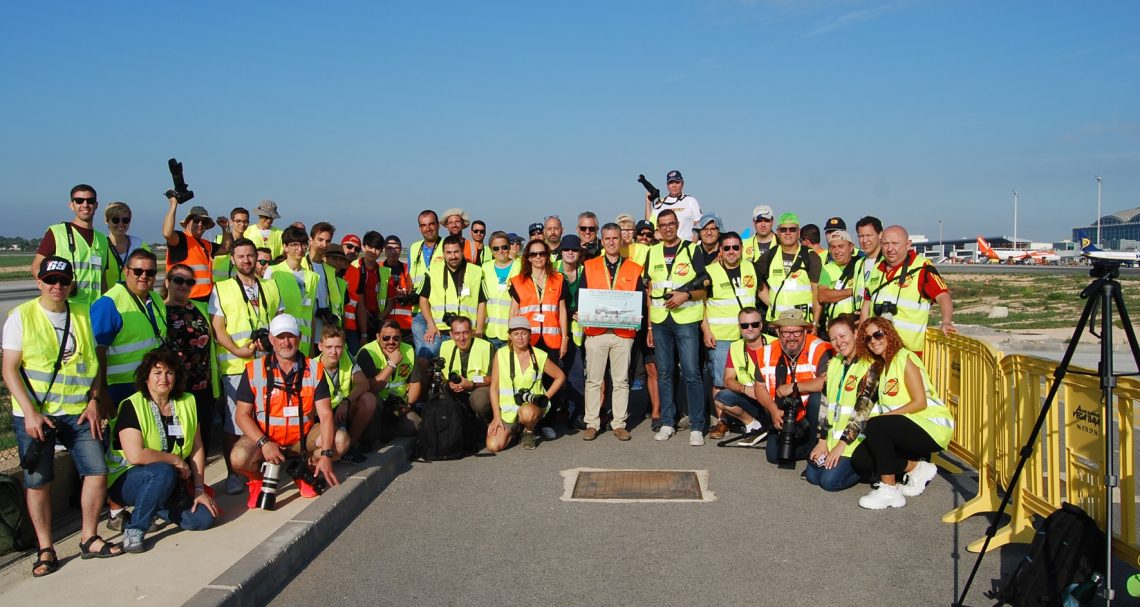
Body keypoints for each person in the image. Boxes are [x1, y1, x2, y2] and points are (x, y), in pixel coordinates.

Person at [4, 256, 122, 575]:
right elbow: (9, 370)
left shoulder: (82, 314)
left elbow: (95, 363)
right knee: (38, 481)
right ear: (40, 282)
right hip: (37, 415)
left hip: (79, 412)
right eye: (51, 280)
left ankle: (89, 537)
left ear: (71, 284)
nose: (57, 286)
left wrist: (95, 399)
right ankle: (46, 548)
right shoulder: (21, 316)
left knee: (97, 470)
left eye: (63, 281)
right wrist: (30, 413)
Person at [106, 349, 218, 552]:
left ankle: (154, 505)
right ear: (146, 377)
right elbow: (135, 454)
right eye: (157, 373)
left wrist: (200, 489)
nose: (164, 378)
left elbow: (197, 446)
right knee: (162, 470)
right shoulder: (132, 405)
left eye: (170, 373)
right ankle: (136, 529)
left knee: (203, 519)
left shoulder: (188, 401)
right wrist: (174, 460)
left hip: (171, 481)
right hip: (127, 479)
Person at [230, 314, 344, 507]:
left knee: (340, 441)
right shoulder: (254, 370)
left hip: (301, 437)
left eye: (290, 336)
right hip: (265, 437)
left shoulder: (314, 369)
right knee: (238, 457)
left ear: (299, 337)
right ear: (272, 340)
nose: (286, 342)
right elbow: (241, 415)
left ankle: (306, 469)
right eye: (280, 337)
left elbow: (325, 415)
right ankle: (258, 479)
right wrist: (264, 443)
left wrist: (325, 455)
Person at [852, 317, 954, 509]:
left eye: (878, 334)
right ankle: (917, 468)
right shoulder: (883, 366)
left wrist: (883, 420)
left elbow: (920, 402)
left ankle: (890, 490)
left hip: (931, 426)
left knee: (877, 425)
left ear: (889, 334)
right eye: (867, 338)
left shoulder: (905, 358)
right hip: (905, 426)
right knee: (861, 461)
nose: (873, 341)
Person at [210, 238, 283, 495]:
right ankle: (234, 473)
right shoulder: (222, 289)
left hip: (265, 363)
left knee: (264, 416)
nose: (247, 260)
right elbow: (218, 329)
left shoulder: (271, 287)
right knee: (234, 422)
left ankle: (262, 464)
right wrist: (237, 350)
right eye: (241, 256)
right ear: (233, 260)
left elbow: (278, 323)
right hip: (236, 365)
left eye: (251, 255)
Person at [644, 208, 708, 445]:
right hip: (661, 321)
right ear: (658, 229)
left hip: (686, 318)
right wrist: (650, 326)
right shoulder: (652, 252)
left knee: (692, 373)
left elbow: (704, 287)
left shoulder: (692, 250)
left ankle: (697, 426)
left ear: (678, 224)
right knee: (664, 374)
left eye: (672, 224)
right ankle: (668, 422)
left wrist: (686, 295)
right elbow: (650, 291)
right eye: (663, 225)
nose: (668, 228)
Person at [580, 223, 644, 441]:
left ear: (621, 240)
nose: (611, 242)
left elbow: (640, 299)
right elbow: (583, 296)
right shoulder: (589, 266)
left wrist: (637, 317)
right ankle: (592, 423)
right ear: (601, 240)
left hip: (623, 333)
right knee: (594, 380)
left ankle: (619, 423)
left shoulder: (634, 268)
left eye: (615, 238)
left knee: (621, 381)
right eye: (607, 238)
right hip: (596, 332)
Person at [805, 314, 876, 492]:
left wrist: (841, 446)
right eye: (833, 339)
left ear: (856, 333)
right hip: (833, 439)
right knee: (813, 477)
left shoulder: (870, 364)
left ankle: (870, 470)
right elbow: (825, 405)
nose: (839, 342)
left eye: (843, 336)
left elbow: (862, 411)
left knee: (829, 482)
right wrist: (822, 441)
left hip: (855, 442)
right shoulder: (835, 363)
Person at [860, 225, 956, 355]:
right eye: (886, 244)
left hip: (908, 352)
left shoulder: (921, 268)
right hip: (876, 349)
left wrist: (946, 321)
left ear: (908, 244)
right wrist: (862, 336)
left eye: (895, 244)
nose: (890, 249)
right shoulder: (877, 268)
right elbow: (867, 304)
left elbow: (943, 296)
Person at [91, 249, 167, 409]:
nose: (144, 276)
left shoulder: (156, 300)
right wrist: (102, 395)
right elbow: (97, 353)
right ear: (126, 271)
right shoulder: (109, 304)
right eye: (138, 271)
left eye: (150, 272)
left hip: (151, 384)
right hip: (120, 387)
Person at [700, 231, 759, 438]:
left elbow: (763, 294)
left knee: (750, 378)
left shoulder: (751, 267)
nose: (732, 251)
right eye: (727, 248)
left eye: (736, 247)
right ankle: (722, 422)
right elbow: (701, 304)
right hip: (721, 336)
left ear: (742, 249)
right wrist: (706, 330)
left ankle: (749, 417)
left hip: (749, 335)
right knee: (719, 381)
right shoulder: (709, 271)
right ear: (720, 251)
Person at [755, 310, 833, 465]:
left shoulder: (820, 348)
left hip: (811, 414)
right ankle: (807, 447)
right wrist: (773, 411)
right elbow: (759, 387)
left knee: (818, 399)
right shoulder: (766, 352)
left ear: (805, 331)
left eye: (797, 332)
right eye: (786, 332)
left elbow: (827, 382)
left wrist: (794, 387)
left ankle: (818, 445)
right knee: (774, 456)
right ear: (778, 332)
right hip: (784, 413)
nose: (791, 337)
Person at [486, 317, 567, 452]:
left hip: (531, 407)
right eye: (516, 334)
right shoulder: (501, 354)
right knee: (493, 446)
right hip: (508, 411)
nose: (520, 338)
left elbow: (560, 376)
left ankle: (529, 430)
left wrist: (545, 398)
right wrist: (496, 417)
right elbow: (494, 388)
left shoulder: (539, 355)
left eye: (524, 333)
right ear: (509, 336)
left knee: (528, 412)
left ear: (529, 335)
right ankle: (515, 430)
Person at [162, 263, 217, 452]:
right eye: (179, 280)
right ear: (167, 282)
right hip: (176, 386)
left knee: (204, 436)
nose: (184, 285)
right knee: (179, 438)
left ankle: (198, 480)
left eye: (189, 282)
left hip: (203, 384)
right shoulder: (159, 310)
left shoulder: (200, 307)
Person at [32, 184, 111, 305]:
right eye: (79, 201)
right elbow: (36, 267)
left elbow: (102, 279)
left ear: (96, 205)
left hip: (94, 309)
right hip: (67, 307)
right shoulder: (57, 232)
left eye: (90, 201)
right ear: (71, 205)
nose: (85, 205)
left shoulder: (102, 239)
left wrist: (105, 305)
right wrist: (57, 287)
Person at [313, 324, 375, 463]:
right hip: (321, 417)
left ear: (344, 346)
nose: (334, 352)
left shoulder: (347, 357)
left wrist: (346, 401)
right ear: (320, 346)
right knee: (337, 441)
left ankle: (349, 447)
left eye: (338, 347)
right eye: (329, 347)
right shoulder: (312, 366)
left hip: (342, 409)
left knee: (369, 399)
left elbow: (363, 383)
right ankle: (314, 457)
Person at [711, 307, 770, 440]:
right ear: (739, 327)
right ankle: (753, 424)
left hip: (772, 397)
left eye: (754, 324)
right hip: (751, 396)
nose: (750, 328)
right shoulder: (735, 347)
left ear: (761, 325)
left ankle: (771, 424)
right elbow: (728, 379)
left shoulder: (775, 343)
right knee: (721, 399)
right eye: (744, 325)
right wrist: (745, 389)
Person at [357, 320, 423, 438]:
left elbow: (415, 383)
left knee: (416, 425)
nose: (391, 342)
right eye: (386, 338)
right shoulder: (367, 352)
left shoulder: (409, 350)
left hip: (398, 404)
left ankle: (388, 430)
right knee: (370, 400)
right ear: (378, 337)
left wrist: (408, 405)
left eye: (396, 338)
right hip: (378, 402)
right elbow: (372, 388)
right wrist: (392, 364)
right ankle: (373, 436)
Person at [420, 234, 486, 351]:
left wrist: (479, 330)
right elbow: (423, 300)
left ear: (462, 251)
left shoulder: (476, 271)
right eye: (449, 253)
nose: (453, 256)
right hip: (440, 330)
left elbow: (482, 303)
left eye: (456, 252)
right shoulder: (433, 270)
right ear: (443, 254)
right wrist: (431, 325)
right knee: (424, 357)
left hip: (466, 332)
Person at [757, 212, 822, 331]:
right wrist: (772, 304)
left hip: (803, 324)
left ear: (799, 232)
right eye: (783, 229)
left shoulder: (811, 257)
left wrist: (815, 323)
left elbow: (816, 293)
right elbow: (755, 281)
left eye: (792, 229)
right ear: (777, 232)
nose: (787, 233)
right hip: (776, 325)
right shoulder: (769, 255)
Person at [509, 238, 568, 361]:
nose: (538, 257)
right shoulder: (518, 281)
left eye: (542, 253)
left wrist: (564, 339)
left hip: (553, 341)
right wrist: (512, 339)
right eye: (533, 254)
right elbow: (513, 313)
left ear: (547, 256)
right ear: (528, 257)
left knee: (553, 378)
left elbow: (562, 312)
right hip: (527, 340)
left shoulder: (559, 280)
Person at [267, 226, 320, 357]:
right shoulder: (273, 272)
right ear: (285, 247)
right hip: (282, 344)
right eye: (294, 244)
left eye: (303, 244)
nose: (300, 249)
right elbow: (269, 310)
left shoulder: (313, 277)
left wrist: (312, 349)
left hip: (305, 345)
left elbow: (311, 314)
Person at [439, 315, 494, 424]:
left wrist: (472, 384)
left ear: (472, 332)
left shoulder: (486, 347)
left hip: (479, 386)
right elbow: (441, 374)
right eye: (457, 333)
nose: (461, 338)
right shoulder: (445, 346)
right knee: (441, 394)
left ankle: (485, 424)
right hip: (454, 387)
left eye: (465, 332)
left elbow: (493, 378)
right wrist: (448, 383)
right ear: (451, 334)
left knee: (479, 400)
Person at [556, 235, 587, 428]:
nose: (570, 252)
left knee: (576, 374)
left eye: (574, 250)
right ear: (561, 251)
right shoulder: (551, 269)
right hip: (555, 328)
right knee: (554, 373)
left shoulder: (586, 271)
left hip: (577, 329)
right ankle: (554, 415)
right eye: (566, 249)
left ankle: (576, 415)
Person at [344, 230, 391, 354]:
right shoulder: (353, 268)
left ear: (381, 251)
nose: (373, 251)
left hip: (374, 321)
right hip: (354, 321)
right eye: (370, 247)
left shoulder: (384, 272)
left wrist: (381, 317)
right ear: (364, 247)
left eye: (377, 248)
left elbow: (391, 299)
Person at [162, 200, 216, 301]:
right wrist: (174, 205)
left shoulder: (206, 244)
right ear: (187, 222)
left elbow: (225, 248)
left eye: (204, 222)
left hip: (205, 298)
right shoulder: (181, 239)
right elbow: (167, 233)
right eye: (196, 220)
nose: (200, 224)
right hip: (185, 298)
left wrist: (225, 229)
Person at [817, 230, 867, 335]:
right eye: (833, 247)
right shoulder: (827, 268)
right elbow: (823, 296)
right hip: (836, 327)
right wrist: (854, 291)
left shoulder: (862, 265)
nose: (837, 251)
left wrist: (835, 294)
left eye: (841, 246)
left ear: (851, 247)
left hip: (858, 325)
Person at [409, 210, 444, 357]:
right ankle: (422, 380)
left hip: (438, 310)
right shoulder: (414, 248)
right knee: (421, 353)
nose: (427, 228)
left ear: (438, 225)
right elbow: (411, 275)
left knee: (435, 352)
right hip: (418, 310)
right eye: (423, 225)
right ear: (419, 228)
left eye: (431, 224)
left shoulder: (446, 246)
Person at [302, 222, 344, 340]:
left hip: (326, 330)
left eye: (327, 241)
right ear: (311, 240)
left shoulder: (329, 271)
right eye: (320, 240)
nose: (324, 244)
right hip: (306, 329)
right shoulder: (300, 266)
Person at [481, 231, 521, 349]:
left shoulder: (521, 267)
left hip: (511, 332)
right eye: (496, 248)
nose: (500, 251)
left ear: (509, 247)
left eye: (504, 247)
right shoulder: (484, 268)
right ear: (491, 250)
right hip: (489, 332)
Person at [645, 170, 702, 240]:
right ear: (667, 185)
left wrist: (693, 245)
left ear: (682, 183)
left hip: (686, 247)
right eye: (671, 182)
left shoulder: (691, 201)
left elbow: (699, 227)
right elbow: (649, 226)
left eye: (677, 182)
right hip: (666, 248)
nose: (674, 185)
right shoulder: (660, 204)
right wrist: (648, 203)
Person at [103, 202, 149, 285]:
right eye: (115, 220)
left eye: (125, 220)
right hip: (108, 296)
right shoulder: (100, 244)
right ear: (106, 221)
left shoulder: (139, 245)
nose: (121, 224)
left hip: (133, 296)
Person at [382, 234, 413, 334]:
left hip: (406, 324)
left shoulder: (408, 269)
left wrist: (406, 294)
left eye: (396, 248)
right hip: (384, 323)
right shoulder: (378, 269)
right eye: (389, 248)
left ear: (400, 250)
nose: (393, 252)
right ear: (384, 250)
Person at [212, 207, 250, 282]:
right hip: (218, 284)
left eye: (245, 221)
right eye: (238, 221)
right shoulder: (218, 240)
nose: (242, 224)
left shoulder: (248, 244)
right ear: (231, 222)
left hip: (236, 285)